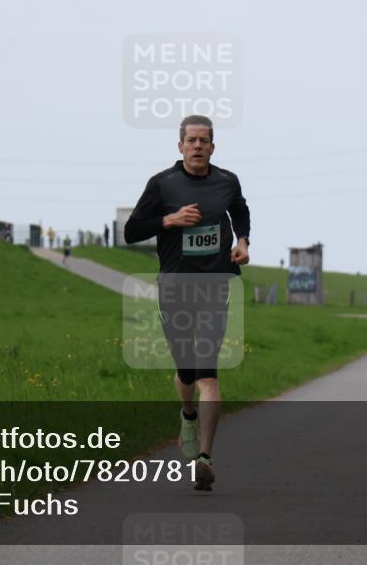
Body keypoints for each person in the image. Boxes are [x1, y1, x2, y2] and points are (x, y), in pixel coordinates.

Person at [124, 114, 250, 492]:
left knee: (209, 374)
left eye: (204, 141)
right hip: (176, 286)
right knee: (187, 372)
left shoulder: (227, 181)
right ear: (180, 146)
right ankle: (188, 414)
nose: (197, 146)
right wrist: (170, 220)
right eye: (191, 140)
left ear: (213, 147)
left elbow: (240, 211)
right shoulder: (162, 183)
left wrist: (242, 243)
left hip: (215, 285)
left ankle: (205, 459)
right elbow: (131, 231)